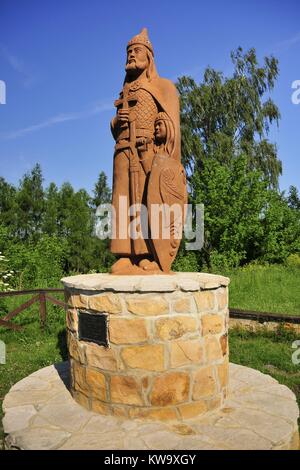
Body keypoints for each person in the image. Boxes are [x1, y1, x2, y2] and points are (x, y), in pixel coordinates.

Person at [110, 29, 184, 274]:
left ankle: (146, 254)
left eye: (136, 51)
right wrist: (117, 121)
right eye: (129, 52)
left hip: (146, 152)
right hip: (122, 150)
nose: (131, 55)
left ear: (149, 57)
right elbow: (113, 127)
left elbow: (170, 123)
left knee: (144, 201)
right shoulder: (125, 91)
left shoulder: (163, 86)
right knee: (122, 201)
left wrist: (162, 130)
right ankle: (123, 255)